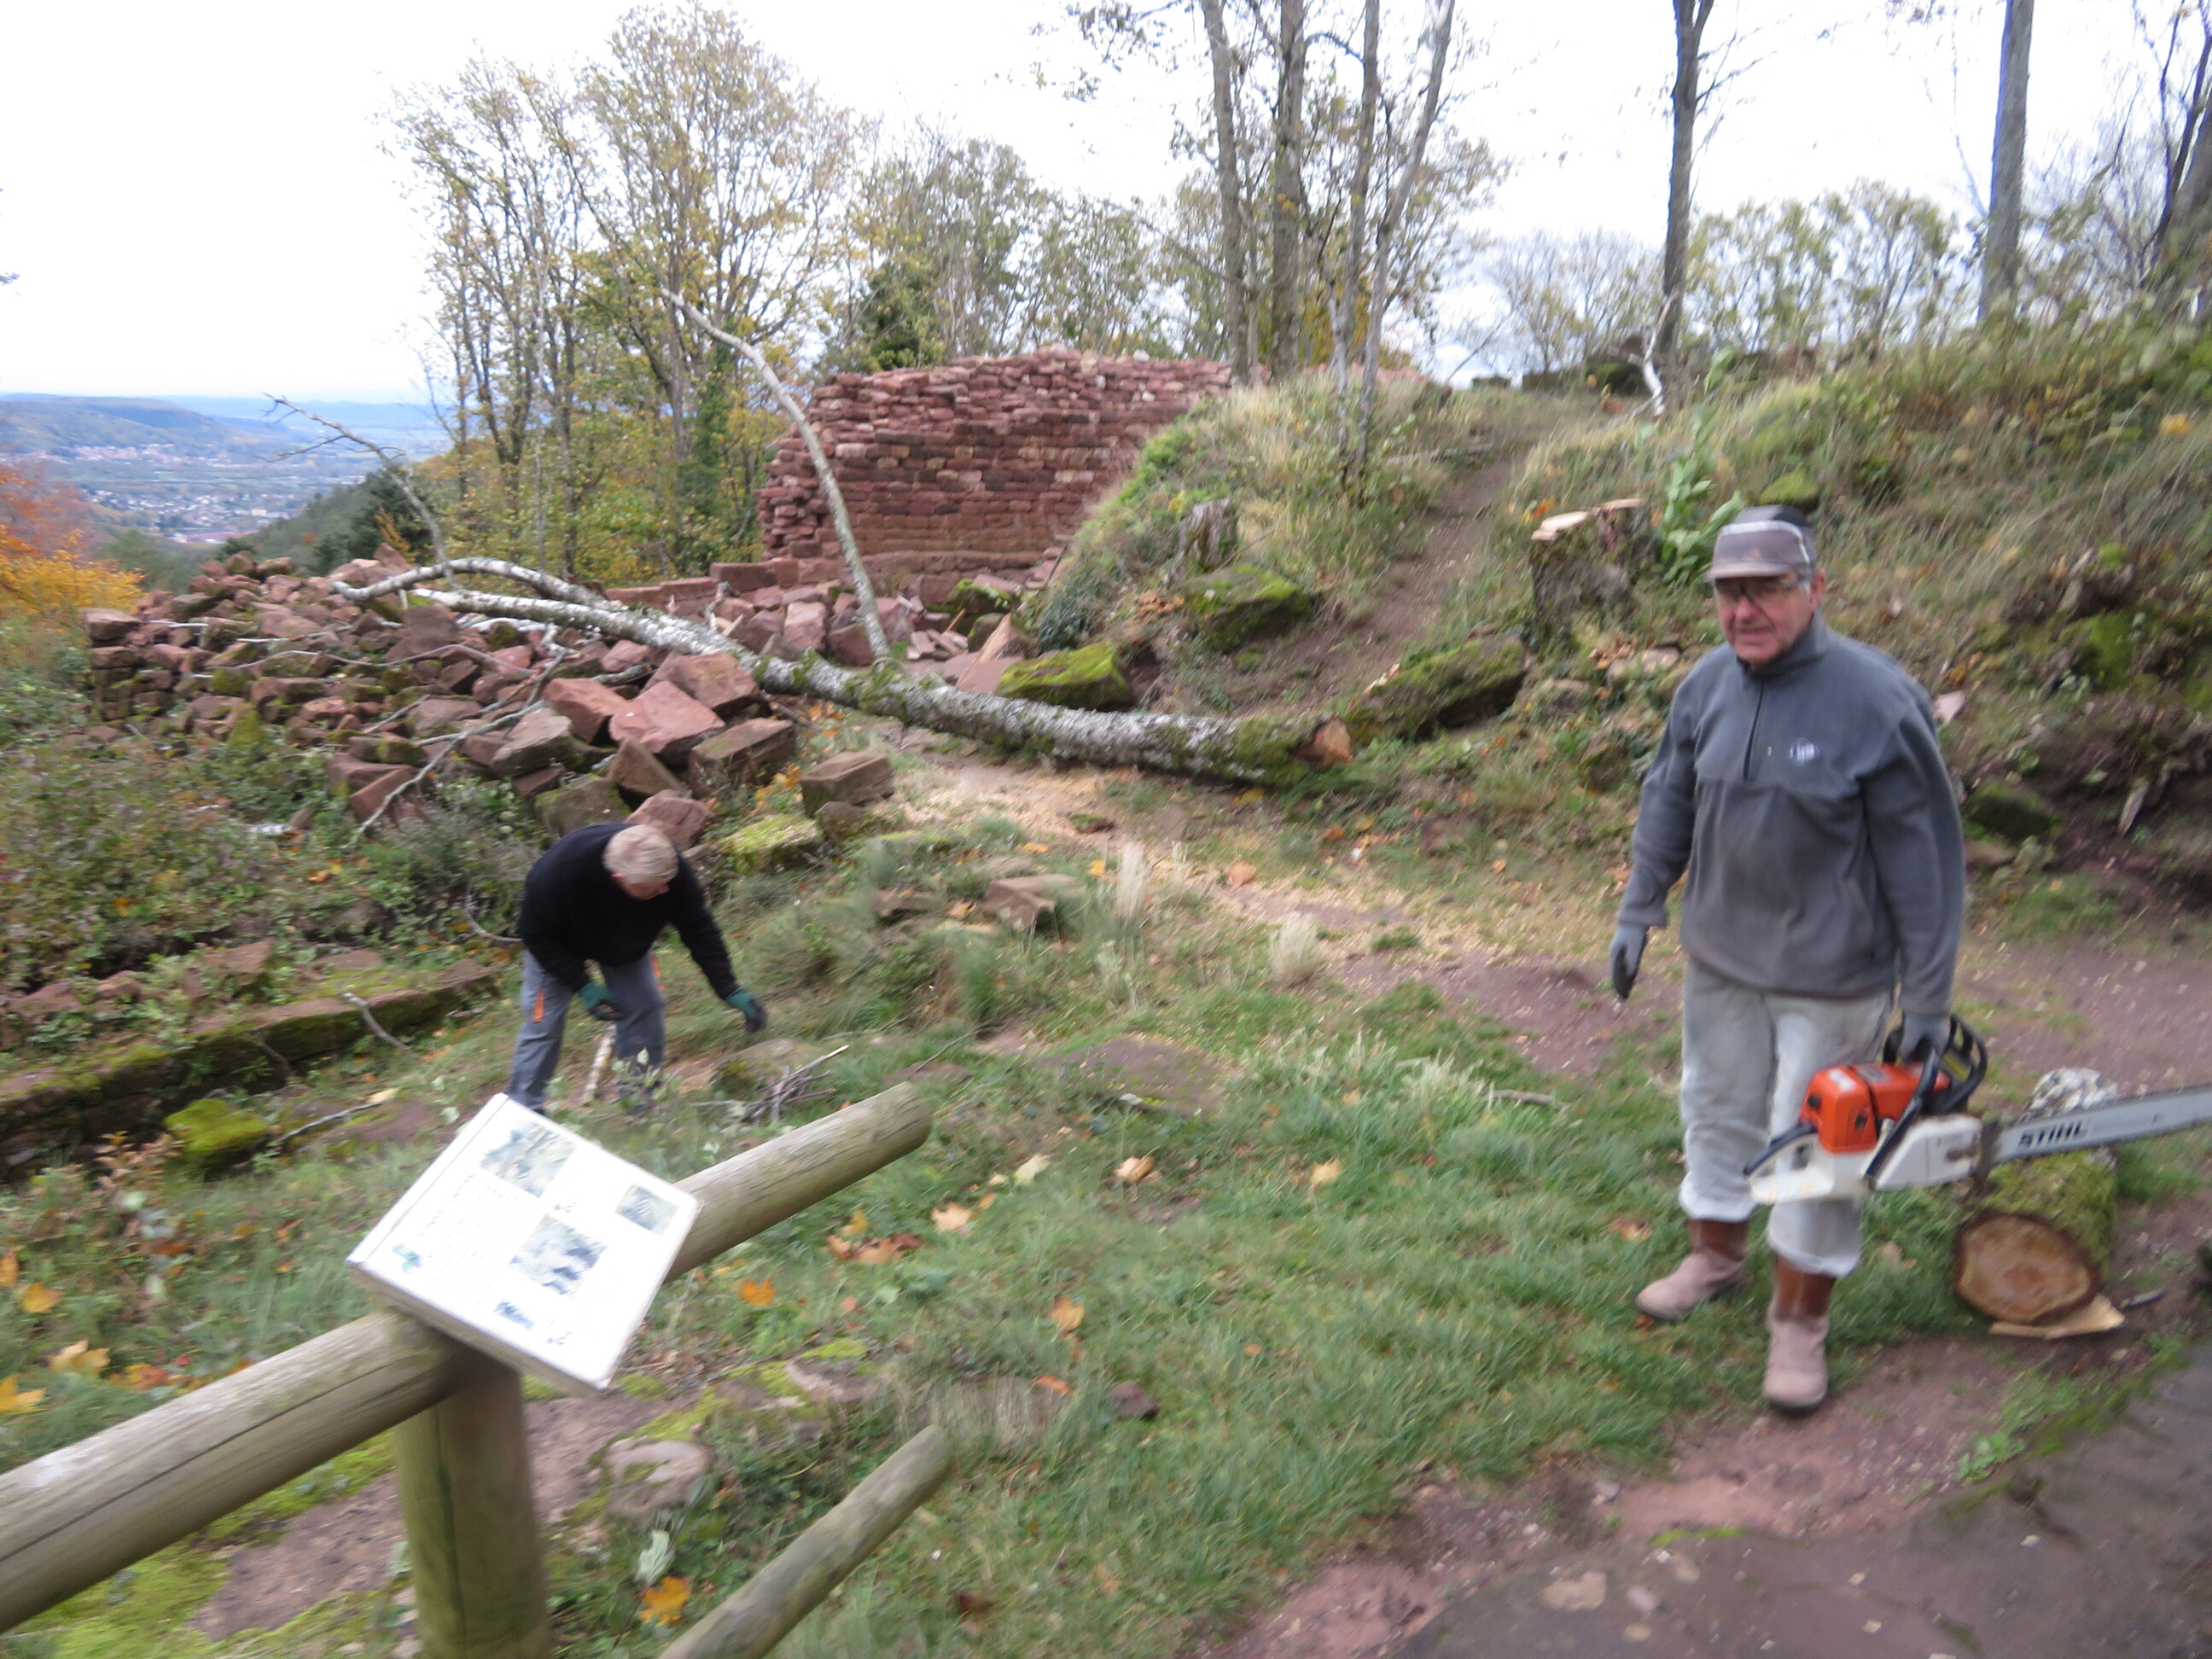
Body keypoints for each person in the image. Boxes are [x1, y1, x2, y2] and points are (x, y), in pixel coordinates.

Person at [1609, 504, 1962, 1414]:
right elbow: (1668, 796)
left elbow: (1925, 861)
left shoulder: (1878, 701)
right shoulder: (1705, 687)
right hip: (1721, 956)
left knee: (1818, 1146)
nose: (1744, 611)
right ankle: (1714, 1256)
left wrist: (1926, 1002)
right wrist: (1640, 906)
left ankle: (1800, 1321)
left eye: (1766, 589)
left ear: (1815, 589)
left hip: (1832, 972)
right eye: (1729, 592)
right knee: (1715, 1108)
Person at [505, 821, 766, 1114]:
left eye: (667, 883)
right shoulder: (558, 874)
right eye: (652, 889)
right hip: (557, 940)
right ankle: (524, 1111)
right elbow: (536, 934)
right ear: (620, 879)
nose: (665, 890)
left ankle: (641, 1102)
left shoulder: (667, 868)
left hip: (625, 941)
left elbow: (698, 929)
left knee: (645, 1006)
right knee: (544, 1025)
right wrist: (583, 985)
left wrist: (728, 988)